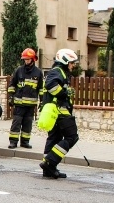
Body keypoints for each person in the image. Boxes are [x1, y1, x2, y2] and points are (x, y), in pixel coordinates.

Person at [39, 48, 79, 179]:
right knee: (72, 137)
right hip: (60, 111)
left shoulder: (59, 71)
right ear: (65, 61)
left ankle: (48, 169)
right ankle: (50, 163)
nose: (73, 65)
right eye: (72, 62)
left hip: (55, 111)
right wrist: (65, 92)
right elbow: (51, 86)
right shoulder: (57, 71)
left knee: (54, 138)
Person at [8, 48, 43, 149]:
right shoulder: (19, 70)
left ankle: (25, 142)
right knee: (16, 123)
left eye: (28, 59)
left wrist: (42, 101)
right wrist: (11, 97)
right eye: (25, 59)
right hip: (19, 103)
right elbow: (12, 85)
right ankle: (13, 142)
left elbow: (41, 88)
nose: (26, 61)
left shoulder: (38, 72)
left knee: (28, 124)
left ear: (33, 59)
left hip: (31, 105)